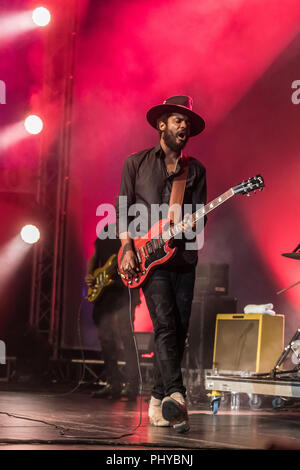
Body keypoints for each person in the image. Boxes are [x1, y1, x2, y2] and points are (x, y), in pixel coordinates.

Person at [116, 95, 207, 432]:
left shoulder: (194, 170)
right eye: (177, 119)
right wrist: (127, 247)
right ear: (161, 125)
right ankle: (177, 397)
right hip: (146, 259)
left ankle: (157, 399)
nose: (183, 125)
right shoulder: (135, 163)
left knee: (177, 332)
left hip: (183, 258)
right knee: (166, 326)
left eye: (187, 122)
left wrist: (188, 224)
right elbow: (124, 209)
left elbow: (200, 221)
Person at [85, 223, 140, 400]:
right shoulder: (106, 231)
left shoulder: (135, 232)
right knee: (105, 338)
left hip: (125, 290)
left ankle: (133, 385)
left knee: (127, 336)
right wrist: (90, 275)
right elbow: (94, 256)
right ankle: (113, 383)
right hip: (104, 293)